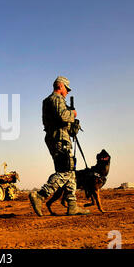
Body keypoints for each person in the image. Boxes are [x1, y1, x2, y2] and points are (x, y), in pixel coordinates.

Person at [29, 76, 90, 216]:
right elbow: (63, 116)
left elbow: (63, 123)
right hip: (59, 139)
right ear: (60, 86)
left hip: (59, 137)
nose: (67, 92)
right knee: (65, 172)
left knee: (70, 174)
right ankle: (40, 195)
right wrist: (73, 114)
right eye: (66, 89)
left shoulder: (52, 101)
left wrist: (73, 126)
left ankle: (72, 205)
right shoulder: (56, 99)